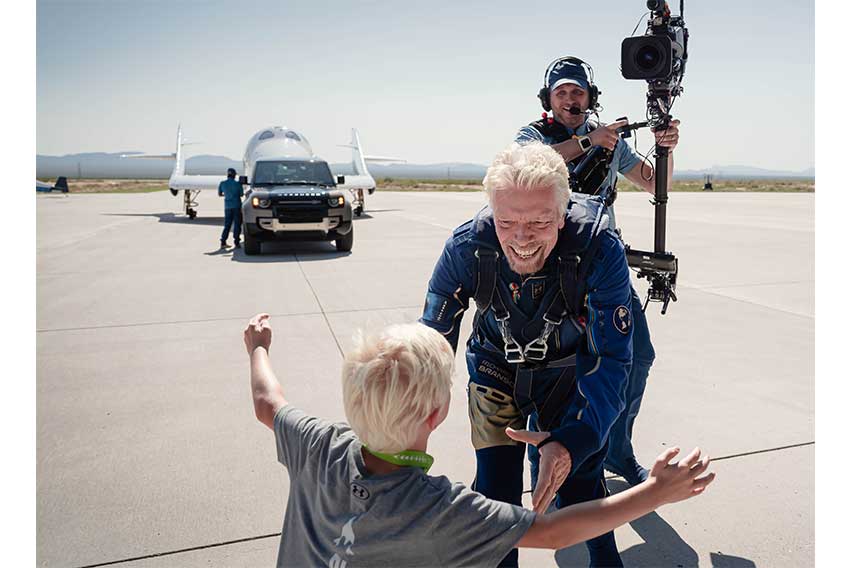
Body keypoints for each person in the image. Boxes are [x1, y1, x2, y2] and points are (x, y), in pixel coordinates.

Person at [244, 313, 714, 568]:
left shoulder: (318, 445)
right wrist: (655, 492)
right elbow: (554, 533)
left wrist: (259, 348)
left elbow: (268, 402)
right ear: (438, 414)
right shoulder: (441, 510)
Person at [422, 141, 646, 566]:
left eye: (540, 221)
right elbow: (430, 342)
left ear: (562, 215)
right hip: (494, 368)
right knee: (495, 494)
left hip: (568, 376)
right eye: (506, 221)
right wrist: (402, 422)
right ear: (491, 212)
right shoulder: (467, 247)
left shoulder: (599, 249)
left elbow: (612, 359)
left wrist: (572, 440)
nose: (521, 239)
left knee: (580, 482)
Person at [514, 56, 681, 489]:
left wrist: (665, 148)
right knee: (552, 373)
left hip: (604, 266)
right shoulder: (535, 136)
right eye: (562, 92)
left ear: (591, 99)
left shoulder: (611, 140)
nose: (571, 99)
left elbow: (652, 182)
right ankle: (546, 470)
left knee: (637, 357)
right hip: (548, 272)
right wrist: (589, 142)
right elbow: (525, 168)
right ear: (549, 101)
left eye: (578, 92)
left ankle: (617, 451)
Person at [218, 167, 244, 248]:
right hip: (236, 206)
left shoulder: (222, 183)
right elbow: (241, 194)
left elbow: (219, 194)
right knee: (237, 224)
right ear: (234, 175)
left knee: (227, 225)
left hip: (227, 207)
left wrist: (226, 195)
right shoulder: (238, 184)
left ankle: (223, 242)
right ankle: (236, 242)